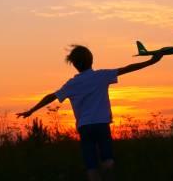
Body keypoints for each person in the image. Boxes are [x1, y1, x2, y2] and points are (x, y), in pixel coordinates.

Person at [16, 45, 163, 181]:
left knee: (91, 166)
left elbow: (51, 96)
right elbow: (127, 68)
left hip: (85, 128)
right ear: (91, 60)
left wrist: (31, 110)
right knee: (108, 160)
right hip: (101, 125)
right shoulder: (101, 75)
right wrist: (151, 61)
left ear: (74, 64)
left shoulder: (71, 84)